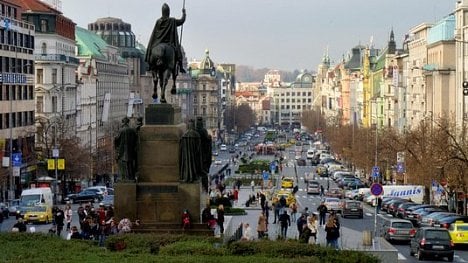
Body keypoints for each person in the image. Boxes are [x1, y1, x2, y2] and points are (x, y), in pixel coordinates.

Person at [145, 3, 186, 73]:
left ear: (162, 12)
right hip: (169, 43)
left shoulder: (158, 21)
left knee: (151, 50)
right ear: (168, 12)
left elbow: (154, 34)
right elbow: (181, 21)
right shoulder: (172, 20)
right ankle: (181, 67)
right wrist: (184, 13)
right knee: (179, 53)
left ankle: (149, 64)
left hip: (158, 42)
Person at [114, 117, 138, 181]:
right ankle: (131, 177)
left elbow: (116, 140)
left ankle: (124, 178)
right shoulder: (132, 130)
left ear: (123, 122)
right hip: (131, 150)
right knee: (130, 164)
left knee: (123, 164)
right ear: (128, 122)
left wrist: (117, 148)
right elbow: (136, 139)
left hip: (122, 151)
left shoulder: (121, 130)